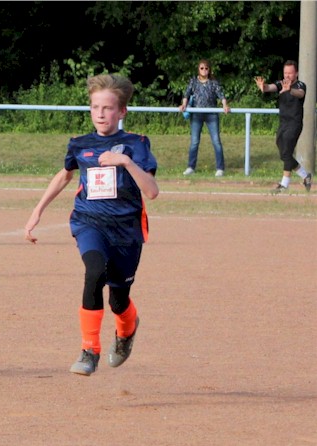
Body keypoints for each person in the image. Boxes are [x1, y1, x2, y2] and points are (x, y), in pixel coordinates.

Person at [24, 74, 159, 377]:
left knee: (119, 298)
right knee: (94, 272)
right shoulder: (79, 144)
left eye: (108, 108)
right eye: (95, 107)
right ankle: (89, 350)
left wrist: (125, 163)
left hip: (126, 230)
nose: (101, 113)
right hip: (89, 222)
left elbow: (151, 191)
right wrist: (37, 210)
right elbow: (64, 175)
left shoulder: (135, 144)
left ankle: (126, 331)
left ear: (122, 111)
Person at [255, 60, 312, 194]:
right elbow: (270, 88)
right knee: (283, 153)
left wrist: (290, 90)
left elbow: (300, 94)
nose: (287, 76)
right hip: (283, 123)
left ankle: (284, 184)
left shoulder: (300, 85)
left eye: (290, 73)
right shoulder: (281, 84)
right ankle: (305, 176)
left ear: (296, 73)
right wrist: (263, 87)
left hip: (295, 123)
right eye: (285, 73)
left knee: (287, 151)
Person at [179, 59, 230, 177]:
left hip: (211, 114)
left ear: (209, 69)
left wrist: (225, 105)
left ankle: (220, 168)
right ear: (198, 69)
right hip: (196, 114)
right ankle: (191, 167)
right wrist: (184, 105)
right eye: (202, 68)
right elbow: (186, 95)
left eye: (206, 68)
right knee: (194, 142)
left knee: (216, 141)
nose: (204, 70)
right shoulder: (193, 81)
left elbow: (221, 96)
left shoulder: (214, 82)